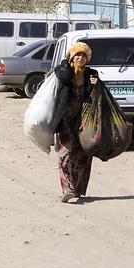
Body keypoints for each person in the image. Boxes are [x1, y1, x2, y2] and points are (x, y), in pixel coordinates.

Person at [54, 42, 99, 203]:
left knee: (83, 155)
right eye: (78, 54)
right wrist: (67, 61)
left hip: (84, 121)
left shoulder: (91, 74)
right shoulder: (63, 69)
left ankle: (77, 188)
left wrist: (94, 85)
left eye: (84, 56)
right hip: (65, 120)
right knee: (65, 154)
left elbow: (95, 94)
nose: (80, 58)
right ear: (72, 55)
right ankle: (67, 188)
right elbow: (64, 77)